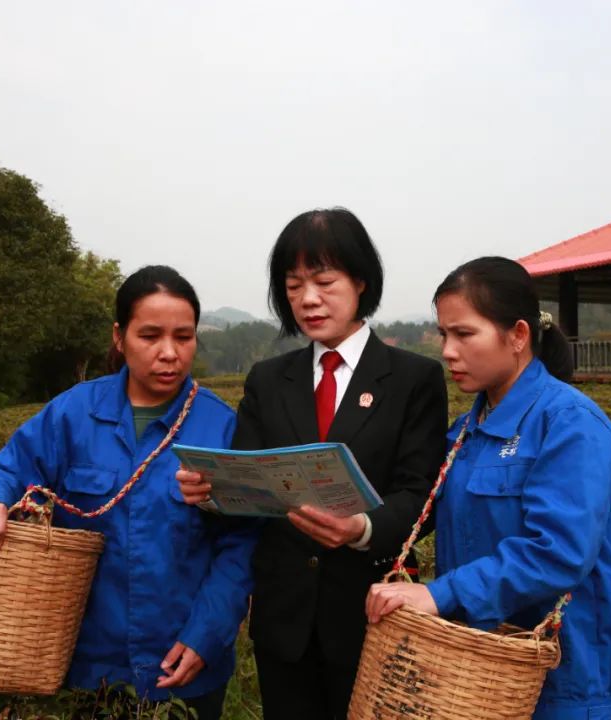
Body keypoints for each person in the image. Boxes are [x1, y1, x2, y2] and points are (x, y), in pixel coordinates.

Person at [179, 208, 448, 719]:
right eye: (294, 284)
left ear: (361, 282)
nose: (307, 298)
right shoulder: (268, 378)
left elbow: (422, 495)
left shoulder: (413, 378)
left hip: (372, 613)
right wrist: (211, 494)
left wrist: (361, 527)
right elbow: (247, 480)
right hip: (285, 622)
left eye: (324, 281)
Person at [0, 266, 257, 719]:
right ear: (120, 337)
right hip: (86, 666)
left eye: (184, 337)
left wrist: (208, 635)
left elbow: (242, 542)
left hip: (182, 667)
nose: (169, 353)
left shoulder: (220, 426)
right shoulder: (75, 412)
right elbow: (7, 468)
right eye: (150, 336)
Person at [365, 257, 611, 719]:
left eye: (464, 334)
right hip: (478, 674)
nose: (448, 350)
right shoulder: (464, 432)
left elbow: (558, 552)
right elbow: (416, 507)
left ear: (518, 336)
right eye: (444, 334)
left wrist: (439, 595)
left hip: (565, 681)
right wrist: (355, 523)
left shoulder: (570, 425)